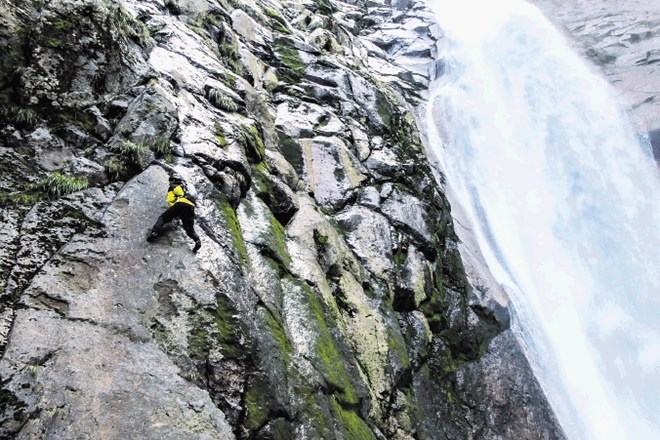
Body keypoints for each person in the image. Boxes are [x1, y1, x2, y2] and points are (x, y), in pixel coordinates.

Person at [147, 172, 201, 252]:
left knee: (163, 218)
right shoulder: (186, 187)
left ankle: (154, 232)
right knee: (189, 229)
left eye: (171, 180)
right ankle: (197, 240)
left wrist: (173, 211)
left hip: (180, 203)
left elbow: (170, 200)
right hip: (191, 207)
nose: (170, 182)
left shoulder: (173, 187)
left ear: (174, 180)